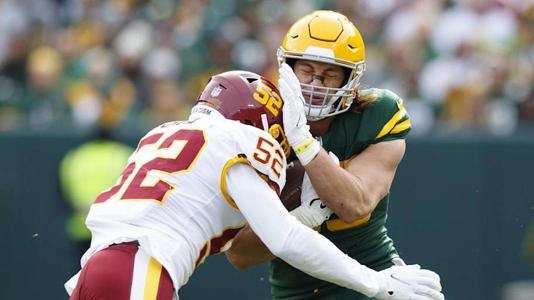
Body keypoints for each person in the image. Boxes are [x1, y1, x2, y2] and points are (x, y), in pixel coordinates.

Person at [64, 70, 444, 300]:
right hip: (138, 267)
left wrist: (305, 216)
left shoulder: (163, 133)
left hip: (97, 267)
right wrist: (377, 284)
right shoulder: (238, 141)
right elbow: (284, 241)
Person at [226, 10, 433, 300]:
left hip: (376, 278)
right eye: (307, 70)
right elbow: (240, 254)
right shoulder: (261, 124)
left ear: (350, 78)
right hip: (295, 293)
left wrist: (303, 142)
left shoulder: (379, 113)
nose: (315, 84)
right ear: (288, 69)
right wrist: (298, 219)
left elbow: (354, 205)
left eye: (330, 73)